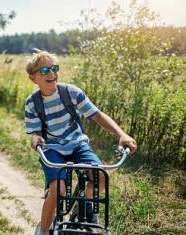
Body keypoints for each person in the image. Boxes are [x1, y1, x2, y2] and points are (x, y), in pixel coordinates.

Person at [24, 50, 137, 235]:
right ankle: (43, 229)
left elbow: (97, 115)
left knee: (101, 177)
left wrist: (121, 134)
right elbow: (34, 132)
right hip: (52, 148)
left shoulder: (71, 92)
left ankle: (84, 207)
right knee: (58, 189)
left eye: (54, 68)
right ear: (33, 78)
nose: (52, 73)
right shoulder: (32, 102)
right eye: (44, 71)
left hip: (78, 144)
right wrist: (35, 139)